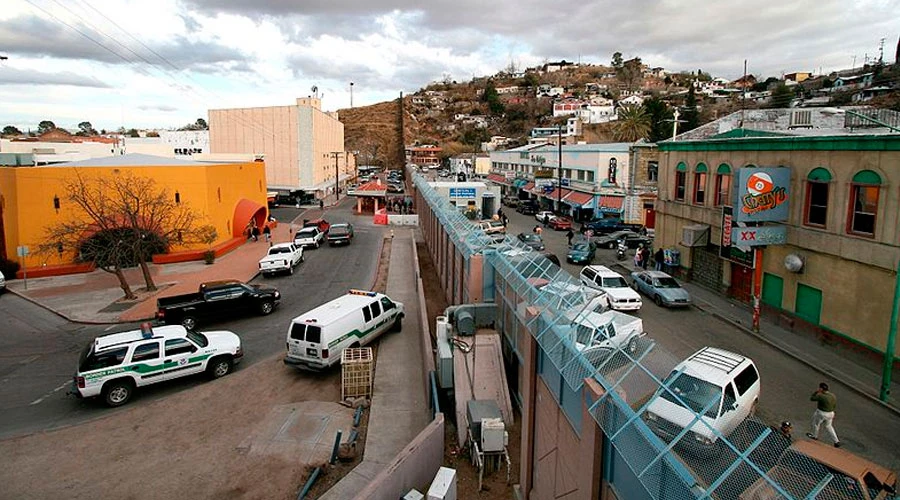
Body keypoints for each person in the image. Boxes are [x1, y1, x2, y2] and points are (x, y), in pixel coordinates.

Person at [807, 382, 841, 447]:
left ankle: (815, 436)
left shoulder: (821, 396)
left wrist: (816, 392)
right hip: (831, 413)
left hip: (821, 412)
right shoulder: (832, 395)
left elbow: (812, 398)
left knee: (816, 424)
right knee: (829, 426)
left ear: (821, 389)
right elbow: (834, 405)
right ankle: (836, 441)